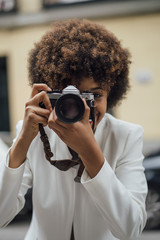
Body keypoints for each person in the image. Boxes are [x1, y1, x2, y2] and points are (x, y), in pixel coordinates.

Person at [0, 19, 147, 240]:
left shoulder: (125, 136)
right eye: (69, 97)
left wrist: (91, 152)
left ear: (112, 94)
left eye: (95, 96)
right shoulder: (33, 132)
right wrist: (22, 142)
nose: (82, 106)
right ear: (50, 94)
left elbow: (130, 229)